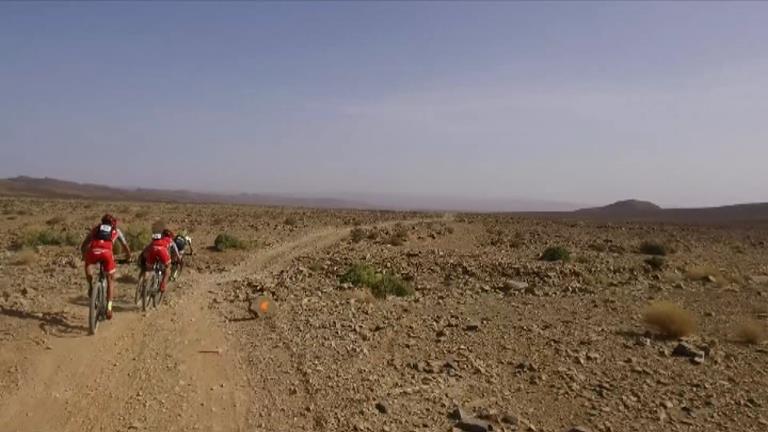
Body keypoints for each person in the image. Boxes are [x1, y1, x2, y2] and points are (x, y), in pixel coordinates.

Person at [81, 213, 131, 320]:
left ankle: (90, 286)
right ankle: (109, 308)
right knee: (110, 281)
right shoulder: (116, 231)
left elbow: (84, 244)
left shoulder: (96, 229)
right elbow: (125, 246)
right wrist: (128, 257)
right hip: (107, 254)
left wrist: (83, 255)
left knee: (88, 264)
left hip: (93, 252)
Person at [138, 228, 180, 295]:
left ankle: (143, 285)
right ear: (170, 236)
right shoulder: (171, 241)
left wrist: (142, 255)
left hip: (152, 249)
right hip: (162, 251)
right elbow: (176, 252)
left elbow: (147, 248)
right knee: (168, 268)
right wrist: (178, 259)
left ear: (163, 235)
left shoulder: (158, 239)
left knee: (149, 270)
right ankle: (163, 286)